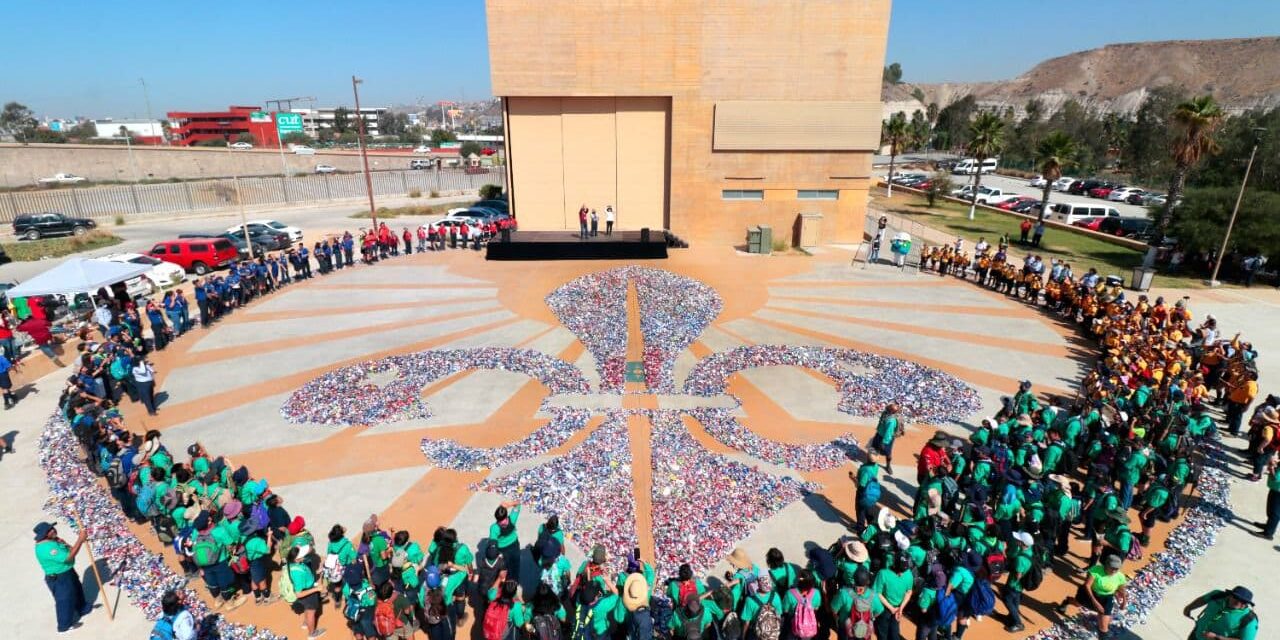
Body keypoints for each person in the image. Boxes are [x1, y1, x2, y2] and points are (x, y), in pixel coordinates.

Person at [33, 521, 94, 633]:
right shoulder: (46, 548)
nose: (54, 530)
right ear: (45, 534)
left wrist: (65, 544)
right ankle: (64, 626)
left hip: (68, 572)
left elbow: (71, 550)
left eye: (52, 528)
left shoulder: (53, 541)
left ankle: (82, 608)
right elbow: (68, 557)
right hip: (59, 578)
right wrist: (80, 540)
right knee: (64, 600)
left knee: (77, 589)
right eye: (50, 530)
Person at [1056, 554, 1128, 639]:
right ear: (1106, 565)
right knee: (1077, 604)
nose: (1114, 570)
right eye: (1112, 567)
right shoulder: (1095, 570)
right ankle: (1067, 601)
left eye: (1117, 568)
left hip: (1107, 599)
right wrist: (1095, 602)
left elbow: (1122, 590)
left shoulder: (1120, 576)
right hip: (1089, 594)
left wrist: (1124, 602)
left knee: (1103, 627)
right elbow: (1087, 586)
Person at [1182, 586, 1259, 640]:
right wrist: (1189, 608)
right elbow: (1202, 600)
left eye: (1244, 601)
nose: (1239, 602)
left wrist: (1217, 637)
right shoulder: (1217, 595)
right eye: (1236, 597)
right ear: (1230, 595)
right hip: (1197, 634)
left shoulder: (1249, 620)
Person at [287, 546, 326, 638]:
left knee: (307, 610)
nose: (304, 555)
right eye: (302, 555)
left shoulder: (293, 562)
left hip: (308, 591)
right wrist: (316, 589)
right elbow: (299, 594)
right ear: (296, 559)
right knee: (311, 612)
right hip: (308, 594)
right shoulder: (297, 573)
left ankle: (306, 623)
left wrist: (317, 572)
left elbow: (309, 549)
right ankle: (312, 634)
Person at [872, 403, 902, 473]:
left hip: (885, 439)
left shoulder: (891, 421)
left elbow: (888, 433)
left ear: (891, 411)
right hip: (879, 434)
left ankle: (888, 465)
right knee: (874, 449)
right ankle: (871, 461)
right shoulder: (885, 413)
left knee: (888, 453)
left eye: (888, 408)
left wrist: (884, 442)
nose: (886, 408)